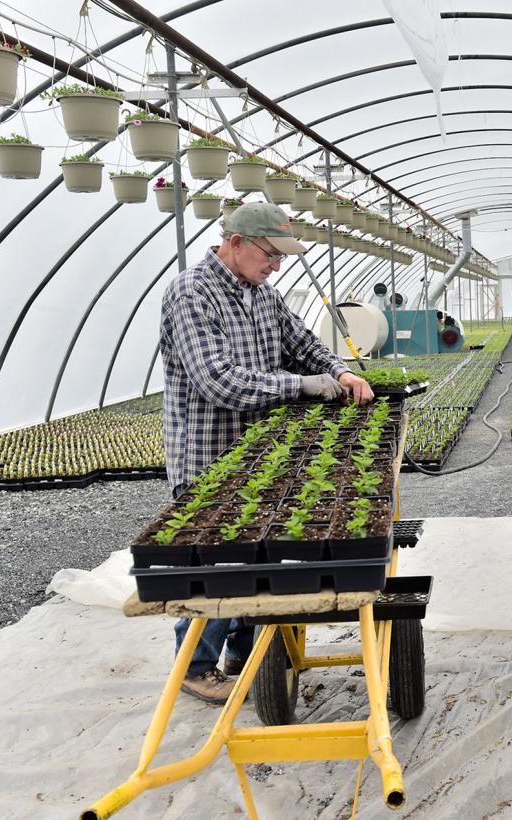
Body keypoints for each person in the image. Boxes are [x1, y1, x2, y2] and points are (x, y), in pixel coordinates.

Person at [160, 202, 374, 704]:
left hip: (258, 452)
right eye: (270, 253)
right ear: (235, 243)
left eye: (279, 256)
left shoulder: (263, 294)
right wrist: (302, 385)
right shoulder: (192, 292)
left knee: (257, 558)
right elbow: (219, 382)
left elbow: (303, 342)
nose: (276, 264)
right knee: (216, 562)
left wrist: (339, 372)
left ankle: (242, 653)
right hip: (208, 454)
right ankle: (194, 666)